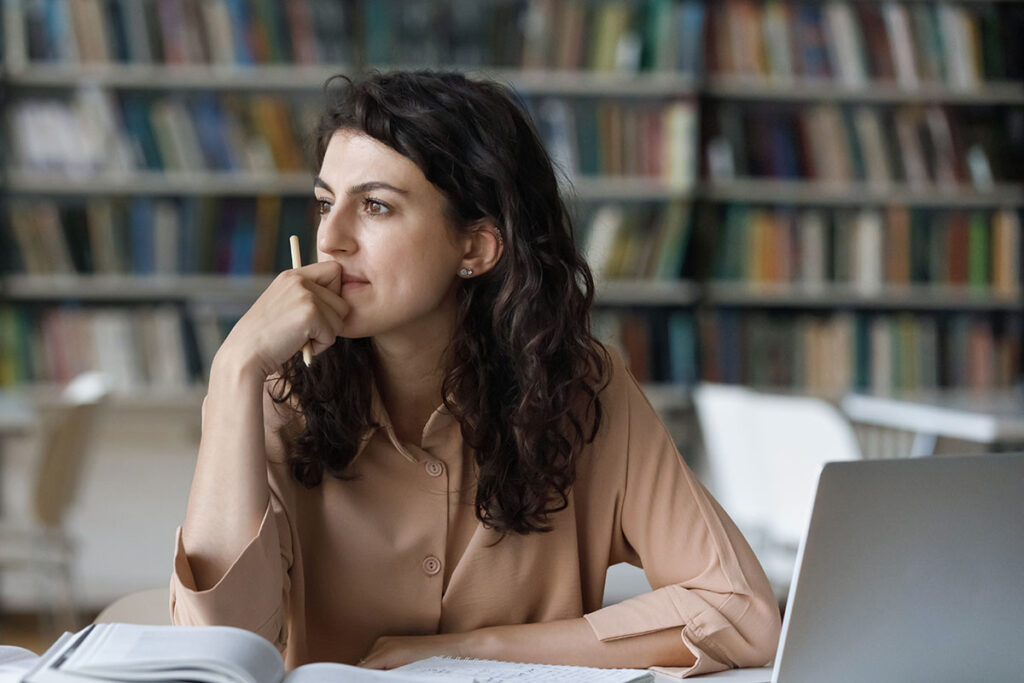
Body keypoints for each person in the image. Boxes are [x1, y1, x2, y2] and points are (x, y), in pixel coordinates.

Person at [170, 70, 780, 677]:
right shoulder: (278, 392)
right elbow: (217, 655)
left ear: (476, 248)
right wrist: (233, 372)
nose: (331, 239)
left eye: (375, 206)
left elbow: (741, 613)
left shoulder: (583, 390)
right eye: (327, 203)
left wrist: (474, 648)